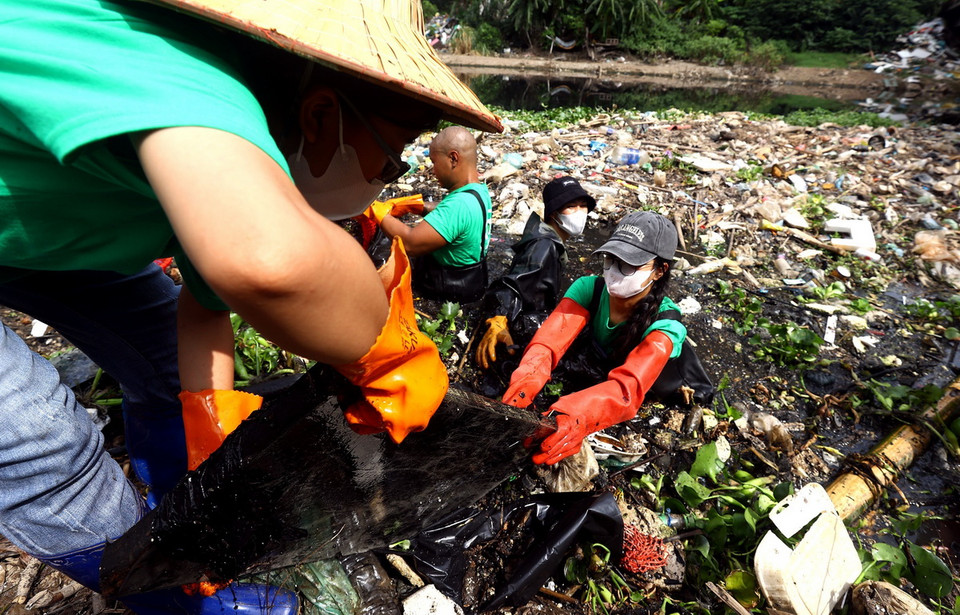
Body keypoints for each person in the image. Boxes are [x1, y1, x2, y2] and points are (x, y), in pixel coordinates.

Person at [0, 0, 501, 612]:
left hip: (31, 228)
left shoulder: (216, 159)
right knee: (35, 437)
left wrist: (211, 477)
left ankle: (173, 513)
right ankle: (177, 595)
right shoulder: (190, 81)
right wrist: (392, 358)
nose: (389, 177)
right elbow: (270, 263)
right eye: (391, 157)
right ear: (320, 114)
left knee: (158, 348)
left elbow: (202, 312)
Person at [501, 211, 714, 466]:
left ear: (659, 270)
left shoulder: (665, 327)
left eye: (627, 264)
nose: (614, 272)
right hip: (609, 360)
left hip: (662, 383)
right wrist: (528, 376)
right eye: (610, 260)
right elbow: (549, 341)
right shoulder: (589, 288)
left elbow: (627, 390)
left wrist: (576, 416)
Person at [474, 176, 596, 387]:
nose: (579, 212)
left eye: (583, 206)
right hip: (524, 325)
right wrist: (499, 317)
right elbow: (512, 283)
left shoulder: (549, 240)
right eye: (571, 206)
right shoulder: (545, 247)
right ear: (553, 213)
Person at [375, 126, 493, 303]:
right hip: (474, 283)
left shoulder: (458, 205)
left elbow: (410, 244)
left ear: (453, 158)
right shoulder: (478, 192)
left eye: (434, 162)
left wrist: (378, 212)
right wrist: (416, 206)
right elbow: (453, 215)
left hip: (448, 292)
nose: (432, 170)